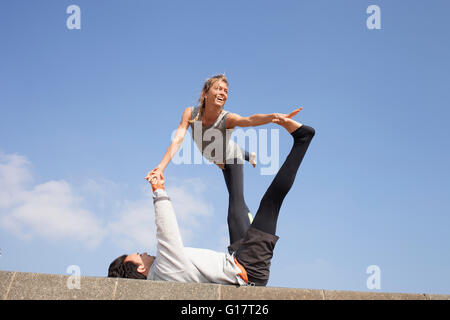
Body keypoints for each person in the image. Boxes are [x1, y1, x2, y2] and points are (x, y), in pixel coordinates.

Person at [109, 116, 315, 286]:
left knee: (234, 211)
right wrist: (158, 190)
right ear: (140, 268)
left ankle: (231, 162)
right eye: (138, 255)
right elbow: (166, 230)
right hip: (248, 269)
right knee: (271, 202)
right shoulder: (163, 266)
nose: (143, 252)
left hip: (236, 260)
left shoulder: (162, 279)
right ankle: (302, 139)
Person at [145, 74, 301, 245]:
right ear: (205, 93)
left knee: (235, 201)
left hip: (230, 157)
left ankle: (238, 247)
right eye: (218, 88)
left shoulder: (227, 118)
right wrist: (161, 167)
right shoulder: (191, 113)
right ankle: (250, 156)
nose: (222, 93)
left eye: (226, 91)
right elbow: (177, 139)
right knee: (226, 159)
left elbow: (249, 120)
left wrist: (273, 116)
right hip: (215, 155)